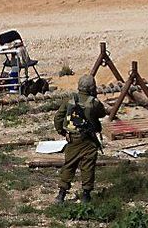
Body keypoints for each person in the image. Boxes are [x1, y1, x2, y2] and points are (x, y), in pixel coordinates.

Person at [53, 74, 107, 204]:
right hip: (88, 140)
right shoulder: (94, 103)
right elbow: (102, 113)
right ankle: (86, 194)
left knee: (69, 165)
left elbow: (58, 118)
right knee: (87, 166)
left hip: (72, 138)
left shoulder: (70, 100)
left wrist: (62, 131)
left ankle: (61, 194)